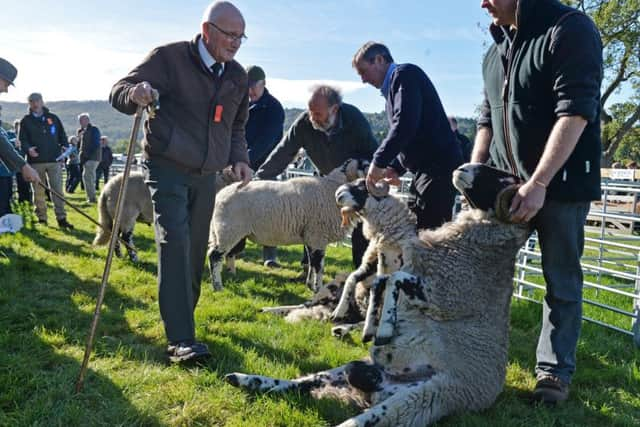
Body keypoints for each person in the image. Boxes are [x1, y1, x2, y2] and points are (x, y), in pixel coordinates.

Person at [110, 1, 252, 363]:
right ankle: (181, 338)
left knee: (195, 249)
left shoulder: (237, 75)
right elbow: (120, 90)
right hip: (166, 166)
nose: (236, 43)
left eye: (241, 36)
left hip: (207, 176)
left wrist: (239, 158)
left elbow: (236, 126)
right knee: (174, 240)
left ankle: (184, 316)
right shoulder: (169, 58)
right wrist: (135, 94)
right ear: (208, 31)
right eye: (230, 34)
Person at [476, 0, 603, 403]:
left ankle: (553, 373)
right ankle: (475, 352)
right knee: (484, 271)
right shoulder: (494, 50)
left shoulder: (569, 29)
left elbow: (575, 112)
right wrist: (476, 172)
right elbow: (486, 118)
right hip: (505, 186)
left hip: (559, 187)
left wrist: (540, 181)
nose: (483, 3)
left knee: (560, 279)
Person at [255, 85, 378, 268]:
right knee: (313, 218)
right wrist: (259, 179)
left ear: (334, 109)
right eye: (310, 111)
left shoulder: (355, 121)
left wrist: (366, 177)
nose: (312, 117)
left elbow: (372, 153)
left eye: (318, 113)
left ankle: (361, 275)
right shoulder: (305, 123)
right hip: (325, 180)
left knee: (359, 228)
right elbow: (283, 152)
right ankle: (308, 268)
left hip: (354, 183)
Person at [352, 42, 463, 231]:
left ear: (379, 60)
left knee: (428, 233)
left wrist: (378, 162)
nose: (363, 80)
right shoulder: (397, 85)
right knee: (417, 228)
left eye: (363, 71)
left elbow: (405, 124)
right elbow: (411, 134)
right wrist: (395, 167)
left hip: (436, 169)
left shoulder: (405, 75)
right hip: (427, 170)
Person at [245, 64, 285, 267]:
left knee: (268, 210)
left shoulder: (274, 108)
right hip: (241, 165)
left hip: (266, 167)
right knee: (237, 206)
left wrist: (245, 162)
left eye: (254, 86)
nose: (250, 91)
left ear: (264, 84)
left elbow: (266, 141)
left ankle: (270, 254)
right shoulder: (241, 105)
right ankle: (234, 248)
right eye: (247, 86)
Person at [19, 92, 73, 229]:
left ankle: (62, 218)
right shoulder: (25, 121)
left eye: (37, 100)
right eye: (32, 101)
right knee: (38, 192)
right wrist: (28, 148)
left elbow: (62, 135)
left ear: (42, 101)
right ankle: (42, 218)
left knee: (57, 191)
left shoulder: (53, 118)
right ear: (29, 103)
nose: (35, 103)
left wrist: (65, 146)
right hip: (35, 162)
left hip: (54, 160)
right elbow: (22, 140)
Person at [77, 113, 102, 202]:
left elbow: (96, 144)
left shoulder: (94, 130)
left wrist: (87, 155)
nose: (81, 122)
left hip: (92, 157)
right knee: (87, 177)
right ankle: (90, 197)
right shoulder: (80, 131)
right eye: (80, 120)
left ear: (87, 120)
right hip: (85, 158)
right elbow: (79, 145)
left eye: (82, 120)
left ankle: (92, 198)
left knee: (88, 176)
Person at [13, 119, 33, 203]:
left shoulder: (27, 138)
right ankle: (22, 200)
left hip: (27, 164)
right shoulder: (12, 137)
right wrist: (15, 143)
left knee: (28, 184)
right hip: (18, 166)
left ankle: (29, 200)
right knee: (20, 183)